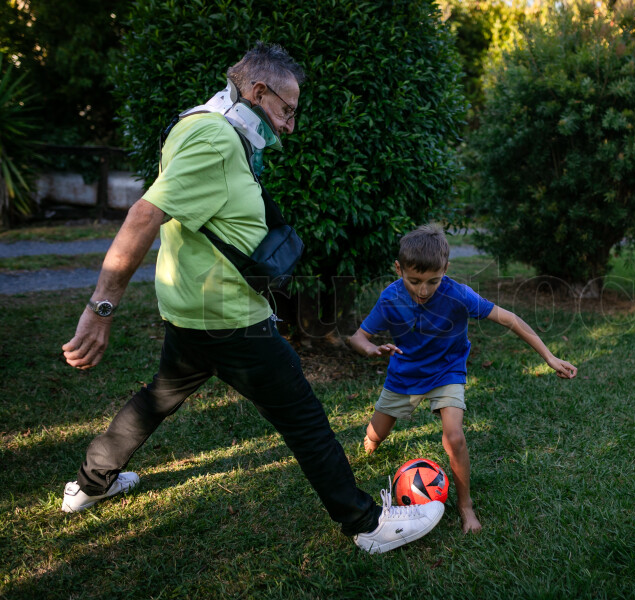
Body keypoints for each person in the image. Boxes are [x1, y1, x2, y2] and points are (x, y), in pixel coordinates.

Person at [59, 42, 443, 554]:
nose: (289, 125)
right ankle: (367, 525)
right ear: (258, 91)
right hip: (228, 318)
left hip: (195, 311)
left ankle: (87, 486)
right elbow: (143, 216)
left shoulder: (204, 124)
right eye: (287, 110)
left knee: (157, 399)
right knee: (304, 418)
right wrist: (100, 310)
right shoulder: (213, 137)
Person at [348, 224, 578, 533]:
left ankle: (465, 506)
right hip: (404, 374)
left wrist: (549, 357)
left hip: (447, 372)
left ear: (446, 270)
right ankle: (371, 444)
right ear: (398, 268)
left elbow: (508, 318)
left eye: (433, 281)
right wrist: (371, 348)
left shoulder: (458, 294)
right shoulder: (390, 297)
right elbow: (357, 337)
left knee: (454, 436)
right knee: (375, 435)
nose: (424, 290)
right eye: (414, 281)